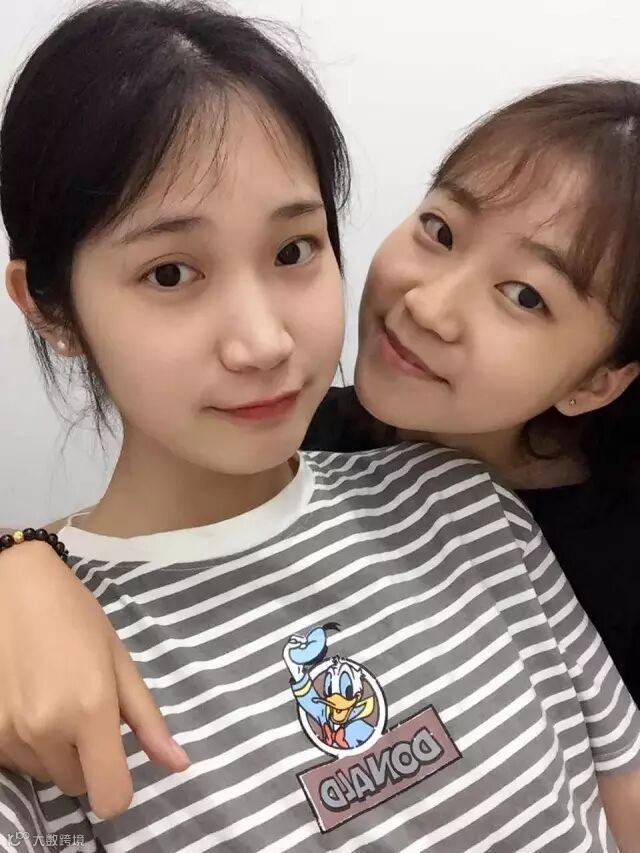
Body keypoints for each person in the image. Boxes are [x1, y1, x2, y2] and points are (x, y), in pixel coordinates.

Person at [1, 3, 640, 850]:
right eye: (170, 272)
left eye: (292, 250)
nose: (265, 343)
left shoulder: (472, 508)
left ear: (599, 383)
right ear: (49, 307)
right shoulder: (40, 683)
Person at [304, 79, 640, 710]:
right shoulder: (286, 442)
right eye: (440, 231)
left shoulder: (617, 572)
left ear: (596, 382)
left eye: (524, 296)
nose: (428, 306)